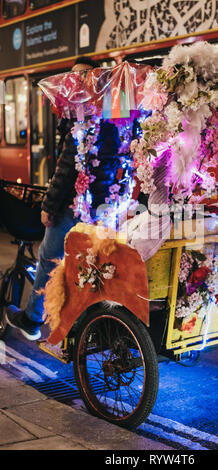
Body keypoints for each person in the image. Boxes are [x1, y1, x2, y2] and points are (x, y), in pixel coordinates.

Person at [6, 56, 122, 341]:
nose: (74, 83)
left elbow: (67, 167)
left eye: (81, 77)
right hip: (104, 205)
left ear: (94, 80)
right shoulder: (110, 114)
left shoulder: (82, 117)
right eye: (71, 78)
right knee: (92, 265)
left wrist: (48, 207)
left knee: (49, 257)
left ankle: (32, 319)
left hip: (75, 204)